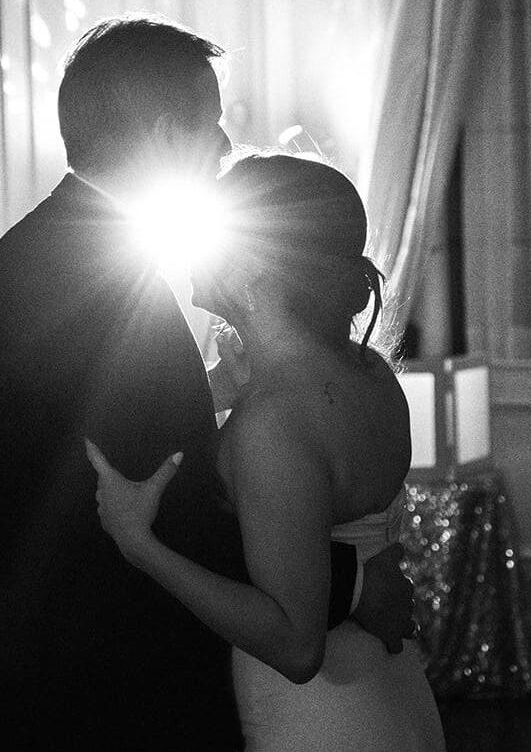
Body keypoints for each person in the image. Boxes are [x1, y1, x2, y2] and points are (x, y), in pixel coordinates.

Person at [0, 14, 417, 751]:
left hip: (109, 670)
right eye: (209, 123)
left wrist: (204, 390)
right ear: (166, 131)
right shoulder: (77, 275)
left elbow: (127, 440)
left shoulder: (65, 257)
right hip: (106, 691)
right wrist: (354, 584)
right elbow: (159, 498)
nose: (222, 145)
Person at [89, 152, 447, 752]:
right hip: (392, 692)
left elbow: (296, 644)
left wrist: (140, 544)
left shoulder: (273, 421)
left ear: (255, 269)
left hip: (319, 719)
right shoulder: (369, 373)